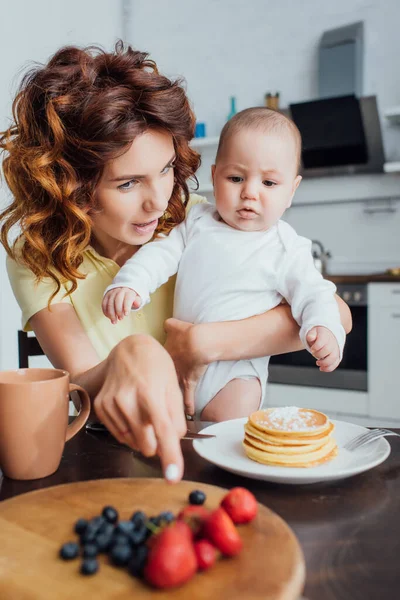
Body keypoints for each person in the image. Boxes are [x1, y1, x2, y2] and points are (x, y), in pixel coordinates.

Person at [0, 43, 352, 483]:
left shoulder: (200, 219)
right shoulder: (37, 256)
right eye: (128, 183)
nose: (157, 200)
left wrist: (205, 344)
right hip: (118, 457)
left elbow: (337, 314)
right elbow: (84, 383)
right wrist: (135, 354)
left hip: (212, 448)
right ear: (68, 184)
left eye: (165, 169)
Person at [103, 107, 346, 419]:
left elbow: (314, 294)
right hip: (178, 365)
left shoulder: (286, 247)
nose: (249, 193)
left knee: (225, 433)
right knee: (174, 433)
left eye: (269, 184)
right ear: (215, 176)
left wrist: (324, 327)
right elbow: (160, 254)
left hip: (236, 375)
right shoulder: (197, 221)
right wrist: (131, 283)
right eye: (236, 178)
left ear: (292, 191)